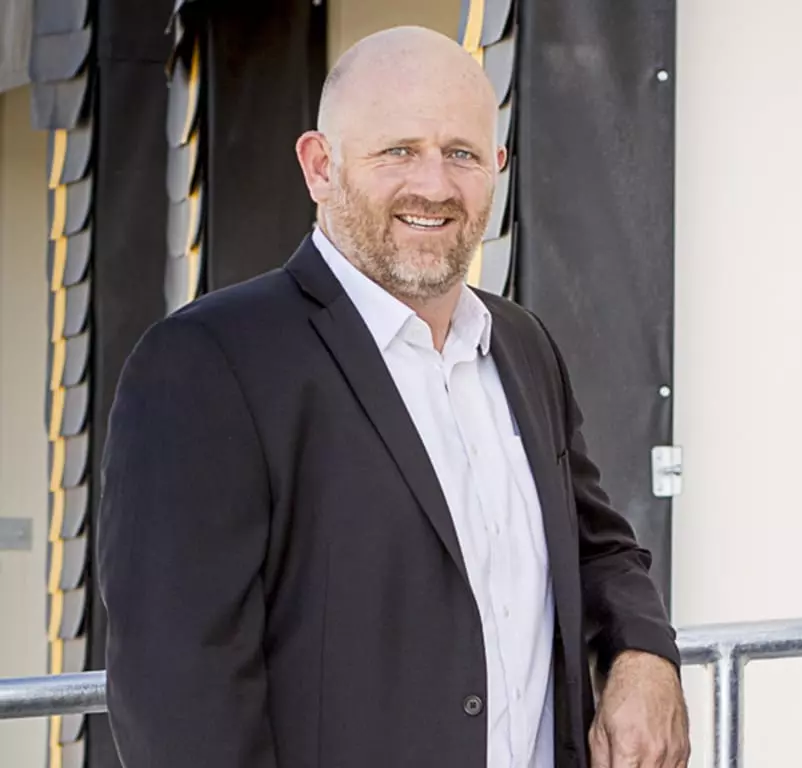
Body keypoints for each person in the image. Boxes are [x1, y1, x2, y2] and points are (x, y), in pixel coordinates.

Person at [96, 26, 689, 768]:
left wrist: (644, 657)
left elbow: (599, 549)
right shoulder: (205, 366)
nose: (434, 186)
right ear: (320, 166)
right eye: (398, 151)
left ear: (498, 166)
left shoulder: (523, 346)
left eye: (462, 154)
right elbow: (180, 704)